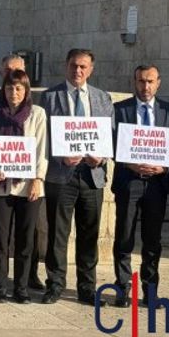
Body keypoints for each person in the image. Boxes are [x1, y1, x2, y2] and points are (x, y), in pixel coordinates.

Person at [39, 49, 114, 306]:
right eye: (73, 65)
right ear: (66, 66)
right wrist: (60, 156)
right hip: (61, 176)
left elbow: (110, 136)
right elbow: (42, 137)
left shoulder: (103, 98)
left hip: (92, 176)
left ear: (91, 69)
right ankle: (55, 285)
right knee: (58, 233)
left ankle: (87, 289)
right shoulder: (49, 97)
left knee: (89, 234)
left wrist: (101, 158)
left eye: (83, 67)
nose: (78, 71)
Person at [111, 65, 169, 307]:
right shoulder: (120, 110)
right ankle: (122, 289)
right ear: (134, 82)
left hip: (157, 185)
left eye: (150, 81)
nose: (146, 86)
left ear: (159, 82)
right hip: (128, 182)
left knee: (152, 241)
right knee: (124, 237)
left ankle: (150, 292)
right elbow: (111, 144)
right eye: (141, 81)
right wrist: (130, 164)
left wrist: (164, 168)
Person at [0, 54, 45, 290]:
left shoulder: (37, 114)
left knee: (25, 239)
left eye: (18, 89)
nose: (13, 93)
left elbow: (41, 148)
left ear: (26, 90)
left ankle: (21, 286)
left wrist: (38, 178)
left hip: (28, 185)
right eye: (9, 88)